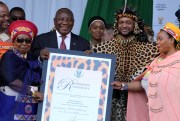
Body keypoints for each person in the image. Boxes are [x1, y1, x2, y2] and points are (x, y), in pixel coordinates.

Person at [91, 6, 159, 121]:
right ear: (116, 25)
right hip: (111, 101)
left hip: (137, 99)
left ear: (135, 25)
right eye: (121, 22)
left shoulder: (150, 49)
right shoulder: (102, 49)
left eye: (128, 22)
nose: (124, 25)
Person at [111, 22, 180, 121]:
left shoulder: (178, 62)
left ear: (171, 40)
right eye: (157, 39)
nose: (157, 42)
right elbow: (146, 84)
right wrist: (123, 85)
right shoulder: (156, 61)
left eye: (160, 39)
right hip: (153, 115)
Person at [0, 20, 43, 121]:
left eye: (27, 41)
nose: (24, 43)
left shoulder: (32, 58)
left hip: (29, 106)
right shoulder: (9, 56)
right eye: (19, 40)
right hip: (10, 103)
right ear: (13, 41)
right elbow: (11, 81)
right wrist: (34, 92)